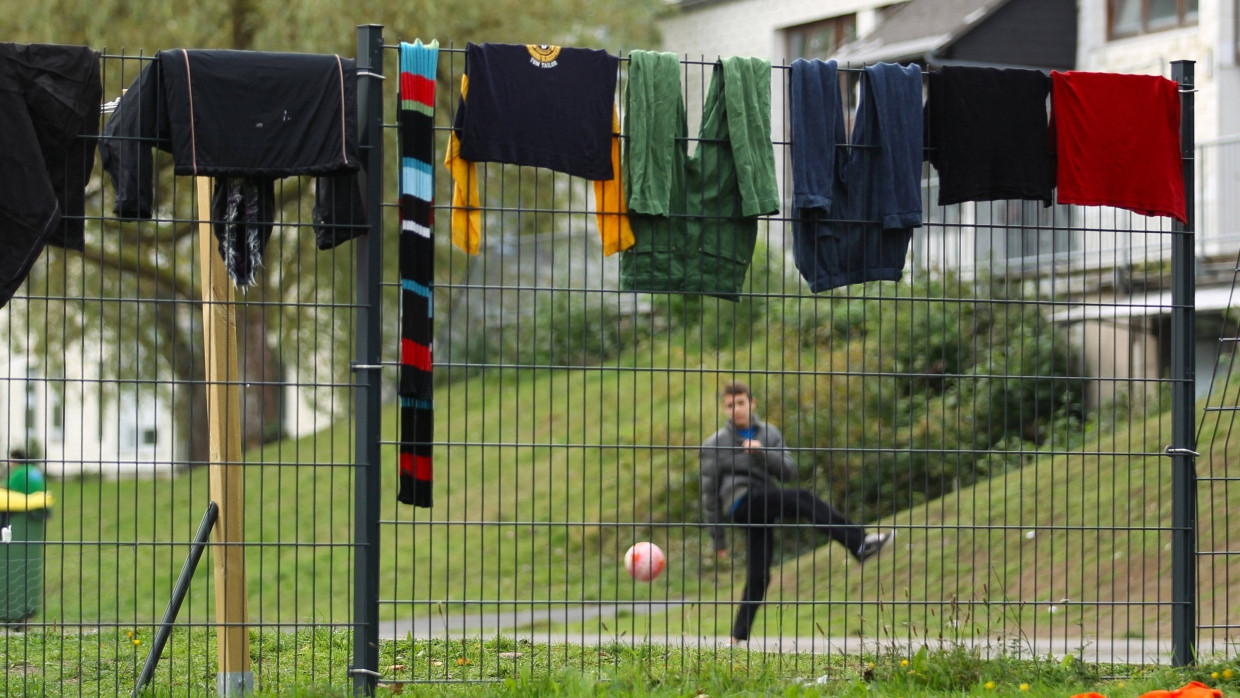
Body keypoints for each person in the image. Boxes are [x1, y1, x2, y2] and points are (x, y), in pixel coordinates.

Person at [699, 381, 893, 645]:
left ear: (752, 403)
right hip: (741, 502)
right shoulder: (714, 444)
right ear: (724, 409)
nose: (736, 410)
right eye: (730, 405)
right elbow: (709, 495)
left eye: (741, 403)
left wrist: (761, 454)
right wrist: (717, 540)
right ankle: (859, 543)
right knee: (802, 498)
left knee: (760, 574)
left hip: (766, 503)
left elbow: (789, 472)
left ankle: (735, 638)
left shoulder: (770, 433)